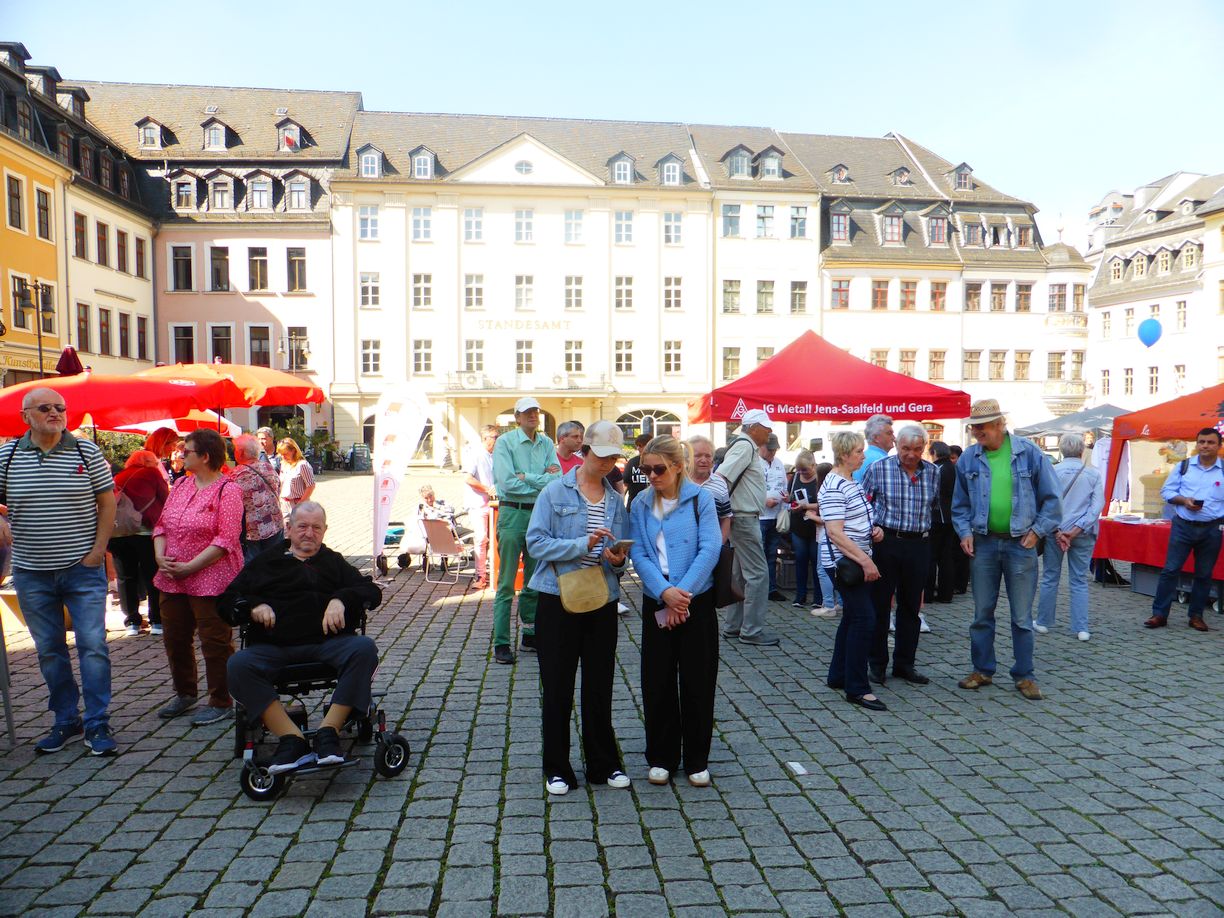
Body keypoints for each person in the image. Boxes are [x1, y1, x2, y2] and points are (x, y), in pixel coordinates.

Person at [221, 502, 383, 774]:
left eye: (316, 528)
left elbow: (371, 591)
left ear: (325, 530)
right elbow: (227, 600)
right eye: (303, 526)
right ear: (289, 528)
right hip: (275, 646)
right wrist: (253, 606)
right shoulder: (266, 562)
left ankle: (328, 732)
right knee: (238, 665)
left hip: (328, 644)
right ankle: (291, 738)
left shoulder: (332, 561)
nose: (309, 533)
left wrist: (341, 599)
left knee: (363, 648)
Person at [0, 388, 118, 756]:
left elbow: (108, 503)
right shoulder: (8, 456)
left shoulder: (86, 451)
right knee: (50, 650)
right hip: (31, 572)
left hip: (82, 569)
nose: (55, 413)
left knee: (93, 645)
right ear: (26, 416)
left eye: (60, 407)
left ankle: (97, 722)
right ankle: (66, 719)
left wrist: (97, 551)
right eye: (45, 408)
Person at [525, 420, 631, 796]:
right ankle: (557, 767)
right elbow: (535, 543)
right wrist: (580, 545)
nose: (607, 464)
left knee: (600, 684)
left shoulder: (615, 500)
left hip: (601, 597)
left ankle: (603, 763)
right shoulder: (555, 492)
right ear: (584, 451)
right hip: (558, 597)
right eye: (601, 456)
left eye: (613, 458)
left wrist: (618, 559)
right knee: (557, 685)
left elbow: (619, 555)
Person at [952, 399, 1061, 701]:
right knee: (981, 613)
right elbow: (959, 504)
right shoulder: (969, 458)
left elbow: (1053, 500)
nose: (976, 432)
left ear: (1000, 424)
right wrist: (964, 533)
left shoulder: (1029, 453)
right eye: (973, 427)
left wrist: (1037, 532)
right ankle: (982, 669)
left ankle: (1025, 675)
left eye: (982, 426)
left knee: (1022, 617)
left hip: (1020, 544)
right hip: (984, 543)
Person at [628, 436, 722, 787]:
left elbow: (710, 547)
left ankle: (697, 757)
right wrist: (664, 592)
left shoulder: (700, 498)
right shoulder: (641, 502)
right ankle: (661, 755)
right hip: (658, 595)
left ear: (678, 466)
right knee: (658, 679)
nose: (651, 476)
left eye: (658, 469)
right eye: (645, 469)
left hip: (695, 598)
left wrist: (682, 594)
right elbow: (639, 552)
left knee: (698, 680)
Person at [153, 428, 245, 725]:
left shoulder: (228, 490)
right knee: (175, 638)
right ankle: (185, 693)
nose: (181, 455)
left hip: (211, 580)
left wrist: (191, 566)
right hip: (172, 578)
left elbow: (226, 539)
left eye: (187, 451)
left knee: (214, 642)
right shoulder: (181, 484)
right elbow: (161, 526)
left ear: (205, 456)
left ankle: (221, 699)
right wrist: (159, 556)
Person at [861, 424, 940, 687]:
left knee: (911, 606)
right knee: (880, 605)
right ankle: (877, 664)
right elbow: (864, 504)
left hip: (919, 544)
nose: (911, 454)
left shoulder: (933, 472)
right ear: (897, 446)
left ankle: (905, 664)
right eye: (906, 448)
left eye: (917, 449)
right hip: (887, 542)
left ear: (924, 448)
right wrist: (872, 529)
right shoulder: (879, 469)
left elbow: (934, 506)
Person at [491, 397, 560, 664]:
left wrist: (527, 477)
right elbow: (507, 484)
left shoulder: (546, 443)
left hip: (539, 514)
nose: (533, 415)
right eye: (527, 412)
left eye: (535, 411)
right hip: (512, 513)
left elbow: (556, 479)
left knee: (534, 580)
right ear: (517, 417)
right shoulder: (505, 442)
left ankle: (529, 635)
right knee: (507, 583)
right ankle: (501, 642)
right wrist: (541, 480)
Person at [821, 431, 886, 712]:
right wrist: (865, 561)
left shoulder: (850, 481)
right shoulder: (835, 485)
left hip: (857, 556)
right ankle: (857, 688)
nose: (863, 455)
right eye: (859, 451)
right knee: (864, 619)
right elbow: (835, 532)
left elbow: (854, 520)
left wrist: (874, 529)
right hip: (845, 562)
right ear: (845, 454)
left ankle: (838, 675)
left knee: (852, 617)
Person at [1143, 427, 1224, 632]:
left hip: (1212, 529)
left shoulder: (1223, 469)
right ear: (1197, 444)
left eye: (1210, 442)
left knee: (1204, 574)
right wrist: (1184, 500)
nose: (1205, 446)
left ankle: (1196, 616)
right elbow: (1166, 491)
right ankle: (1159, 614)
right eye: (1202, 442)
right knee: (1170, 570)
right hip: (1183, 526)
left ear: (1219, 446)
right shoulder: (1184, 466)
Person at [719, 409, 779, 647]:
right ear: (753, 427)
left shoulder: (745, 446)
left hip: (740, 517)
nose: (769, 431)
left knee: (740, 575)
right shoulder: (745, 446)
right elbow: (721, 478)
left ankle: (734, 626)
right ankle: (751, 630)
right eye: (766, 427)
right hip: (743, 518)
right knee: (758, 575)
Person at [1036, 433, 1105, 641]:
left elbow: (1044, 504)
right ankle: (1081, 627)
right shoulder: (1093, 475)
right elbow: (1096, 507)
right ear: (1082, 450)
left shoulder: (1052, 472)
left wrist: (1058, 531)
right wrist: (1077, 529)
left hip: (1055, 531)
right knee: (1079, 580)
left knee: (1050, 577)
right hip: (1083, 533)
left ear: (1061, 450)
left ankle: (1043, 622)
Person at [110, 450, 169, 636]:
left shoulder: (120, 476)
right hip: (146, 532)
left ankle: (132, 623)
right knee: (153, 575)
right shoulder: (152, 474)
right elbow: (166, 498)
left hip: (120, 532)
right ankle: (157, 621)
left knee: (126, 577)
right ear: (150, 462)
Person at [231, 434, 285, 565]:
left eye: (235, 450)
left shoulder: (236, 474)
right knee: (275, 565)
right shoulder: (269, 467)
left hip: (252, 531)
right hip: (275, 524)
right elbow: (278, 490)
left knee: (252, 569)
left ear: (240, 452)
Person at [464, 424, 499, 590]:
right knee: (481, 538)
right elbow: (468, 478)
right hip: (478, 503)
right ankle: (480, 575)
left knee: (496, 539)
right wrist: (487, 489)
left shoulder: (497, 455)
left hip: (495, 504)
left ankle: (494, 573)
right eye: (495, 437)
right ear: (485, 438)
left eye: (498, 437)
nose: (498, 440)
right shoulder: (475, 454)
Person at [787, 451, 823, 610]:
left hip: (816, 527)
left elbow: (825, 503)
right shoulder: (795, 477)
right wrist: (789, 502)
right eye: (799, 470)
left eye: (805, 470)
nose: (802, 473)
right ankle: (800, 596)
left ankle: (818, 597)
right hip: (798, 526)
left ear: (813, 466)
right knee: (800, 560)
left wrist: (806, 506)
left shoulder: (821, 479)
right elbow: (790, 498)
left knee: (816, 562)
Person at [925, 441, 958, 604]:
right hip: (951, 516)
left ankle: (928, 593)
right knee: (946, 557)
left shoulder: (937, 469)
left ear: (934, 453)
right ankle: (946, 594)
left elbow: (931, 492)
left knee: (931, 556)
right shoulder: (954, 468)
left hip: (937, 516)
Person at [758, 433, 789, 602]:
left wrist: (786, 498)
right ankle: (759, 588)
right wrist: (764, 501)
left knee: (771, 554)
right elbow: (749, 490)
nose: (772, 453)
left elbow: (784, 485)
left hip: (776, 515)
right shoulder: (754, 463)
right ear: (761, 447)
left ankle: (771, 588)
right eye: (770, 450)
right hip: (760, 517)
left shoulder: (778, 463)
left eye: (774, 450)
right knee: (759, 554)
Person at [688, 435, 732, 542]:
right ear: (687, 458)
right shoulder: (677, 483)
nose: (704, 460)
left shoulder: (719, 483)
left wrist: (720, 543)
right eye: (698, 455)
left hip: (711, 545)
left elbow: (726, 517)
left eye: (708, 456)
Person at [277, 437, 316, 523]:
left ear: (294, 451)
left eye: (285, 454)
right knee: (286, 529)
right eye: (281, 454)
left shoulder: (302, 465)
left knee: (298, 528)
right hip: (284, 503)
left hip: (298, 503)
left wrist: (300, 503)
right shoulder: (284, 464)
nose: (283, 457)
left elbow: (311, 486)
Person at [853, 414, 894, 483]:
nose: (894, 437)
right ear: (876, 438)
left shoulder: (861, 457)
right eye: (889, 433)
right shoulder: (882, 461)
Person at [623, 433, 653, 507]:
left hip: (653, 506)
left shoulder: (658, 462)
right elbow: (625, 484)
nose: (638, 448)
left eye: (641, 445)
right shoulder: (632, 462)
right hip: (634, 505)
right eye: (637, 445)